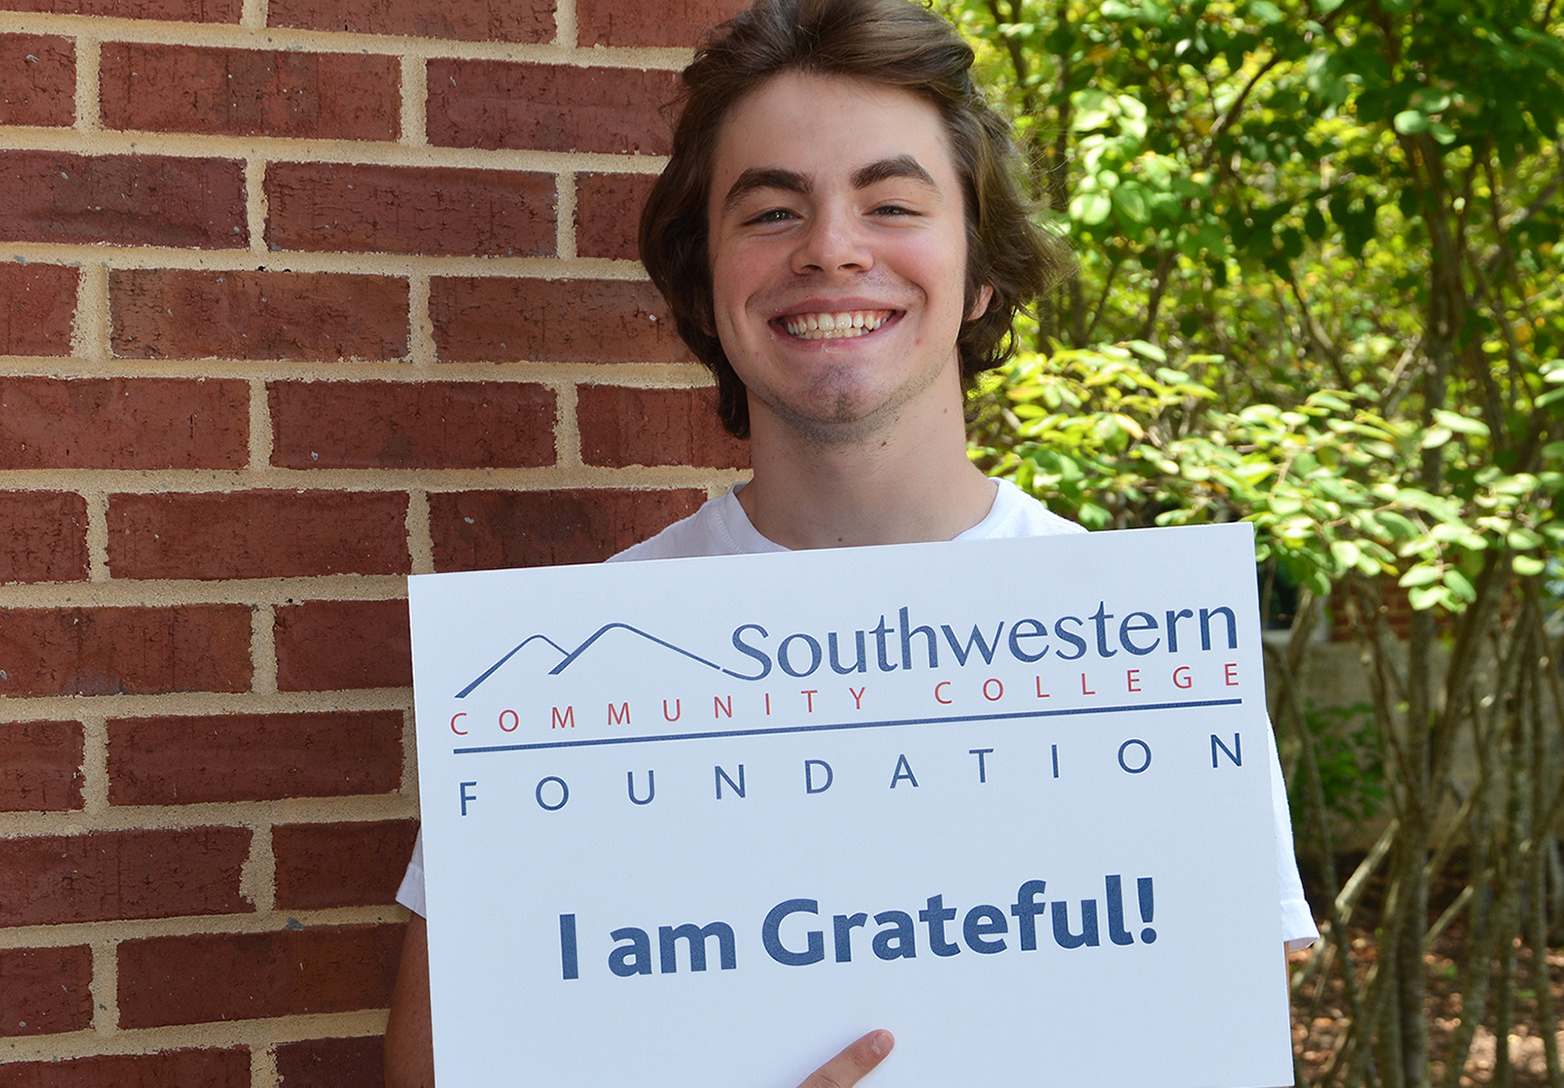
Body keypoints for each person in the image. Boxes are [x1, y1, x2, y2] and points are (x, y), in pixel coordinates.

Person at [383, 1, 1319, 1084]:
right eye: (773, 211)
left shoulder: (1140, 660)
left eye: (890, 202)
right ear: (706, 280)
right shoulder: (563, 677)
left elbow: (1222, 1046)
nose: (832, 248)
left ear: (983, 274)